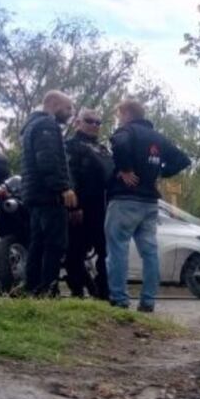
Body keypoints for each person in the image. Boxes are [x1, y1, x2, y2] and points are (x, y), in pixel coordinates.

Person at [107, 99, 191, 312]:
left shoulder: (127, 131)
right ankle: (148, 301)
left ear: (126, 113)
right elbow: (183, 159)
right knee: (150, 252)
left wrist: (125, 169)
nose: (119, 119)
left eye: (119, 115)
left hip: (125, 199)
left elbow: (118, 143)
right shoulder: (158, 138)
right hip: (150, 203)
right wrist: (160, 173)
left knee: (118, 248)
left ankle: (119, 298)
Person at [21, 90, 76, 297]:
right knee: (55, 243)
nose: (70, 112)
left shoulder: (30, 126)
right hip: (48, 194)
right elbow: (48, 159)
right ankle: (48, 289)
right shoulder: (47, 125)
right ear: (53, 104)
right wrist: (64, 187)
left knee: (37, 242)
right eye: (68, 107)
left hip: (34, 195)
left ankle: (32, 288)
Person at [64, 108, 113, 299]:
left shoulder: (103, 149)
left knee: (105, 252)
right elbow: (68, 176)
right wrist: (74, 206)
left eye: (98, 122)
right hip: (81, 207)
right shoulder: (70, 146)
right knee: (74, 251)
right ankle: (77, 291)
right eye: (89, 121)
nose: (94, 125)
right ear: (77, 122)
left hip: (105, 209)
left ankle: (102, 293)